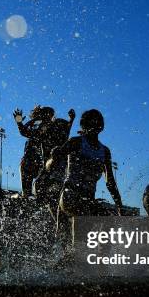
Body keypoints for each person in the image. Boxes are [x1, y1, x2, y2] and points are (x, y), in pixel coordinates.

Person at [47, 109, 123, 260]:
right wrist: (53, 157)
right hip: (70, 196)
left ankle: (101, 263)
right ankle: (85, 265)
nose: (96, 125)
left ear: (102, 126)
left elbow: (110, 182)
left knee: (106, 220)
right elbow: (50, 165)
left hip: (87, 199)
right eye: (92, 122)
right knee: (79, 244)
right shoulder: (76, 142)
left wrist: (119, 205)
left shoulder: (104, 151)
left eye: (98, 122)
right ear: (85, 125)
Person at [33, 109, 75, 218]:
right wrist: (71, 119)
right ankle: (57, 218)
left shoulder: (60, 141)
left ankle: (57, 218)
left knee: (49, 196)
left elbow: (68, 129)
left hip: (55, 172)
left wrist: (71, 120)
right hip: (54, 172)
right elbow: (68, 128)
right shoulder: (50, 135)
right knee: (51, 199)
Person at [13, 105, 55, 197]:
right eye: (49, 115)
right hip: (33, 161)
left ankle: (25, 197)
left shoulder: (47, 125)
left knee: (34, 193)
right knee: (31, 193)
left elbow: (25, 132)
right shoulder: (39, 123)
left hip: (38, 161)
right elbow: (24, 132)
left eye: (51, 116)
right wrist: (19, 123)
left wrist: (20, 123)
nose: (50, 117)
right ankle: (25, 198)